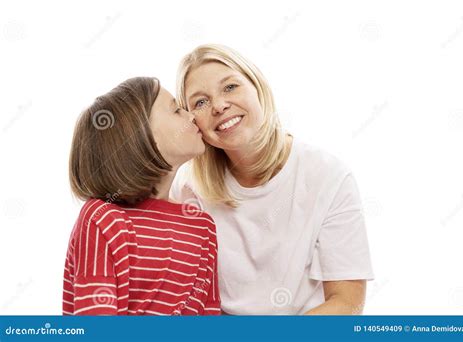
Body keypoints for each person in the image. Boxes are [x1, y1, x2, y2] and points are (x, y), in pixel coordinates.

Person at [172, 44, 374, 315]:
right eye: (200, 102)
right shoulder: (188, 188)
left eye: (230, 87)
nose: (219, 106)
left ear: (257, 87)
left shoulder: (328, 177)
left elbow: (347, 303)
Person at [63, 77, 220, 315]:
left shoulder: (202, 227)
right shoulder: (103, 219)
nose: (191, 116)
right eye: (176, 110)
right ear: (138, 134)